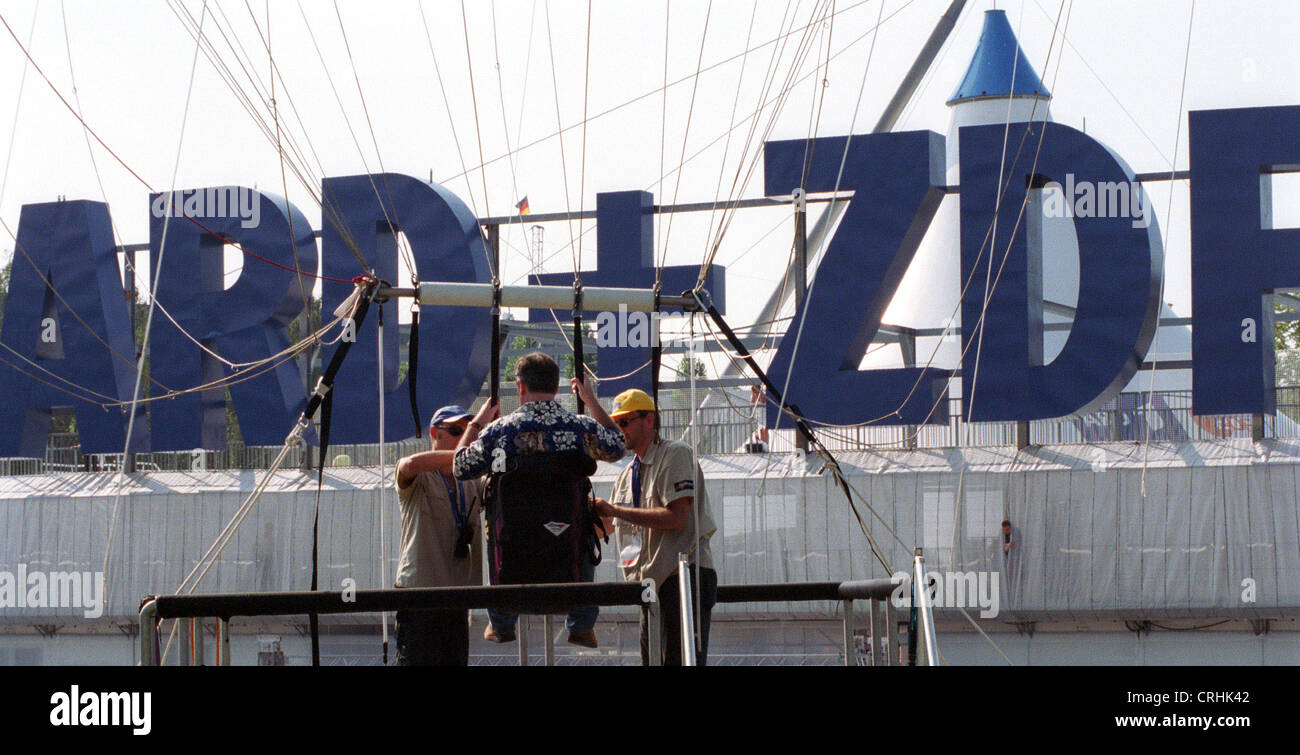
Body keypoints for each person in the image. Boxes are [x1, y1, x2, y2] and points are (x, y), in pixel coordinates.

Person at [453, 352, 625, 649]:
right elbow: (618, 445)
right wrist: (591, 400)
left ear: (520, 387)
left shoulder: (501, 430)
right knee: (579, 521)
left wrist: (476, 424)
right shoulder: (579, 427)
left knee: (496, 521)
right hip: (564, 543)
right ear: (557, 388)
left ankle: (502, 623)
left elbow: (460, 466)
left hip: (515, 545)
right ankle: (582, 624)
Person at [594, 388, 718, 666]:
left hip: (682, 578)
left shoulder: (675, 454)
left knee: (678, 660)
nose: (620, 430)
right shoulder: (626, 475)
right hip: (651, 584)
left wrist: (614, 511)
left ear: (650, 420)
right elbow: (610, 526)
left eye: (625, 422)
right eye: (616, 424)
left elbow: (676, 518)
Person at [391, 404, 497, 666]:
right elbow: (409, 465)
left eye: (466, 430)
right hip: (420, 597)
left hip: (458, 599)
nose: (464, 435)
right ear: (433, 433)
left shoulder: (472, 481)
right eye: (454, 430)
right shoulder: (421, 474)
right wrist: (475, 430)